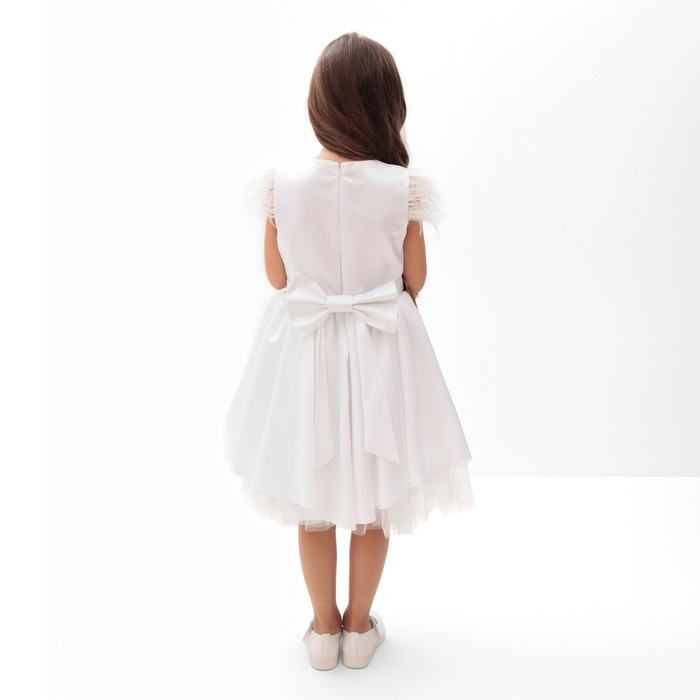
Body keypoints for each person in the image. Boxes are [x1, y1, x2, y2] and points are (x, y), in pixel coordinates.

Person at [222, 32, 475, 670]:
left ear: (320, 102)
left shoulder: (281, 185)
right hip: (379, 351)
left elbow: (277, 278)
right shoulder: (401, 187)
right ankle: (359, 631)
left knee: (312, 500)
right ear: (387, 104)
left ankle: (321, 630)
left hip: (306, 354)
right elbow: (414, 279)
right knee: (373, 498)